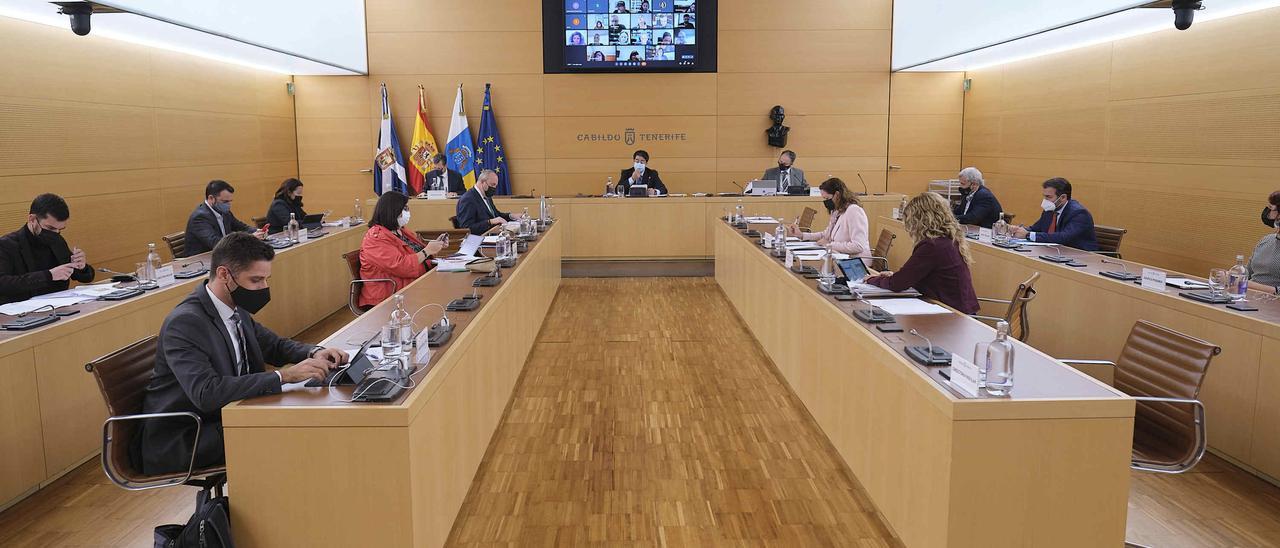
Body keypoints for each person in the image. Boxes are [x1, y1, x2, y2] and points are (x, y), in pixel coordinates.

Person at [134, 232, 350, 474]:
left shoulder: (234, 307)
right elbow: (207, 393)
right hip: (189, 435)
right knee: (296, 431)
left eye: (266, 279)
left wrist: (315, 352)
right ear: (225, 274)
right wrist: (284, 376)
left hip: (230, 415)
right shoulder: (186, 322)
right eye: (256, 280)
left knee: (306, 420)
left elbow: (274, 345)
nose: (263, 288)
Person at [867, 192, 979, 314]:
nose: (908, 227)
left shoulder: (932, 246)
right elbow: (915, 275)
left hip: (952, 313)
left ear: (920, 220)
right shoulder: (949, 240)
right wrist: (894, 276)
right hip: (958, 308)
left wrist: (872, 280)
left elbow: (898, 284)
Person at [0, 193, 94, 305]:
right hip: (21, 313)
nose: (55, 234)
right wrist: (49, 275)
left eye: (60, 229)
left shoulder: (57, 240)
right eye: (50, 228)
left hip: (59, 308)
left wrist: (81, 266)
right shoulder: (6, 244)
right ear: (32, 219)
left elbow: (84, 277)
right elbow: (3, 283)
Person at [358, 192, 446, 307]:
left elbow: (417, 253)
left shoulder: (400, 231)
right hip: (390, 294)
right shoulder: (375, 238)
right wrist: (427, 251)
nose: (408, 212)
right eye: (405, 208)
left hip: (412, 284)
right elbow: (401, 266)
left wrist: (435, 246)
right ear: (392, 210)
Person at [785, 178, 869, 257]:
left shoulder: (854, 211)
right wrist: (801, 235)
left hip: (854, 261)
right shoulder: (837, 210)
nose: (826, 202)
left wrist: (829, 245)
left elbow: (858, 246)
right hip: (837, 256)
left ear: (837, 195)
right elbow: (826, 235)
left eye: (827, 198)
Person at [1010, 177, 1098, 251]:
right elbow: (1036, 228)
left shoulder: (1079, 213)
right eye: (1044, 196)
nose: (1045, 200)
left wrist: (1028, 235)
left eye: (1048, 197)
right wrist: (1019, 230)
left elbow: (1063, 237)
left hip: (1081, 256)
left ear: (1063, 198)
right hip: (1055, 252)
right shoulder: (1050, 209)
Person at [184, 180, 265, 257]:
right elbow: (215, 242)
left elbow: (241, 227)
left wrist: (257, 231)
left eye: (230, 201)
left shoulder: (224, 212)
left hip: (223, 255)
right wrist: (249, 238)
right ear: (211, 198)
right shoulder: (200, 217)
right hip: (201, 262)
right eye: (225, 202)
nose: (229, 205)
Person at [456, 169, 519, 235]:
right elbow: (466, 228)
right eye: (492, 185)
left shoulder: (487, 196)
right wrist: (490, 222)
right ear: (482, 182)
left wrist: (511, 216)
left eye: (495, 185)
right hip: (479, 240)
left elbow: (496, 215)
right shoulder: (468, 199)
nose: (494, 188)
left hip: (492, 235)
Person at [1248, 191, 1280, 291]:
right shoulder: (1267, 239)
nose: (1267, 212)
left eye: (1271, 209)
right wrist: (1231, 274)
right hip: (1249, 297)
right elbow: (1248, 271)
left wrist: (1250, 285)